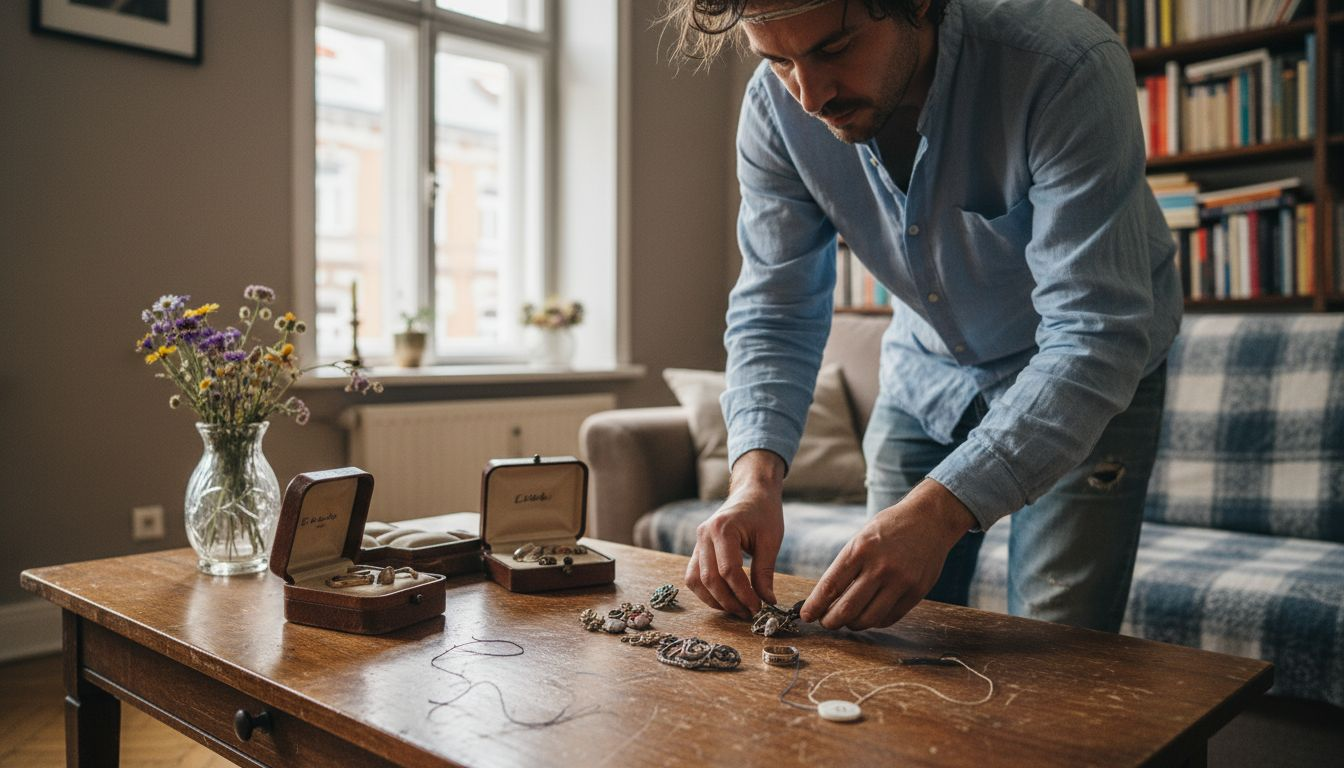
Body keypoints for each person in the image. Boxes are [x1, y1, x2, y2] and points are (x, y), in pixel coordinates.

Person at [667, 0, 1182, 633]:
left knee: (1059, 646)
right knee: (893, 637)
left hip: (1089, 382)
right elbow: (775, 308)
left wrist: (940, 513)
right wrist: (753, 481)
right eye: (777, 60)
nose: (809, 96)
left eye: (834, 49)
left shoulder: (1065, 65)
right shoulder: (774, 112)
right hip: (927, 373)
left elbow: (1092, 334)